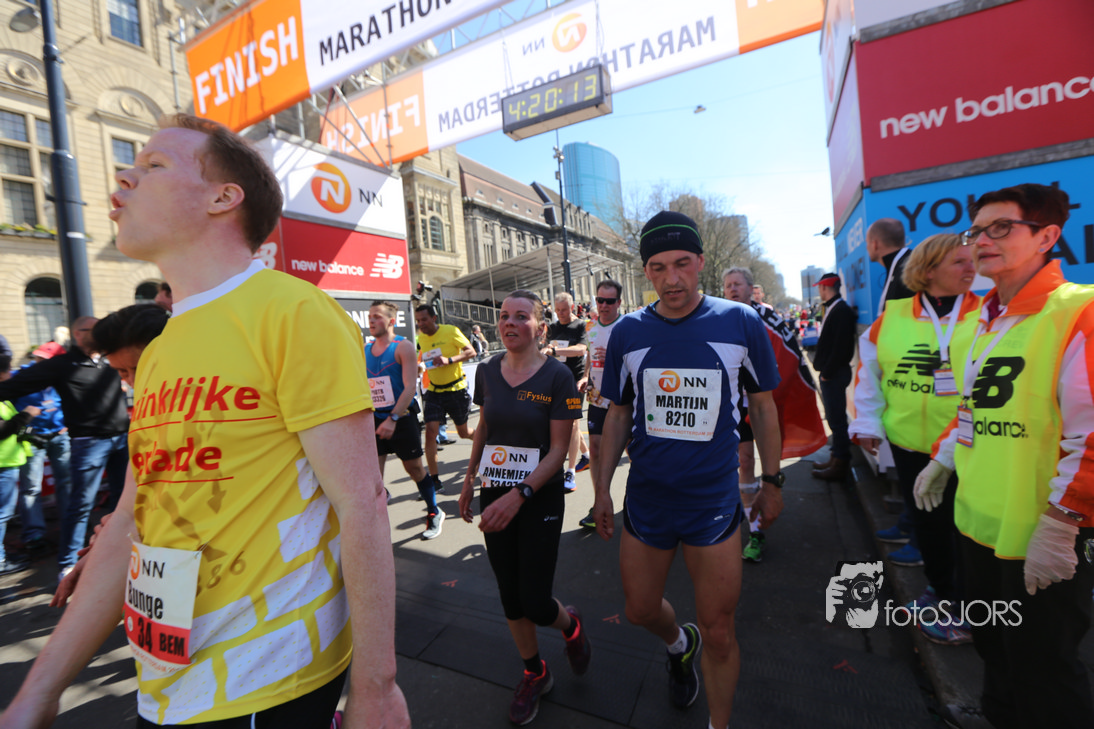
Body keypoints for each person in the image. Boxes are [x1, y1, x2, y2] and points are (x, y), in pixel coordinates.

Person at [2, 114, 408, 728]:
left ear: (224, 197)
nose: (124, 177)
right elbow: (131, 519)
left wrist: (377, 688)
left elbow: (363, 503)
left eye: (154, 165)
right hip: (164, 681)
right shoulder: (161, 349)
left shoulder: (293, 311)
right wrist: (39, 692)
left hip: (268, 679)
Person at [593, 211, 783, 729]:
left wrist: (771, 481)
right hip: (648, 499)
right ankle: (679, 644)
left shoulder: (739, 321)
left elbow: (764, 407)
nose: (672, 278)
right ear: (645, 272)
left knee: (720, 631)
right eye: (658, 268)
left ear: (701, 262)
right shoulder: (628, 332)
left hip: (712, 502)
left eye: (682, 264)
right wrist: (602, 489)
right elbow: (618, 414)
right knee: (639, 610)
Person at [914, 183, 1094, 728]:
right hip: (978, 525)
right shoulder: (984, 318)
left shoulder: (1079, 310)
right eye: (976, 231)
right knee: (994, 647)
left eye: (1001, 228)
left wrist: (1063, 522)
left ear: (1047, 236)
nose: (981, 242)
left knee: (1045, 668)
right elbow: (971, 407)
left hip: (1040, 533)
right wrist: (944, 458)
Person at [458, 289, 590, 725]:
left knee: (535, 600)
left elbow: (559, 450)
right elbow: (485, 427)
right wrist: (469, 479)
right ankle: (535, 672)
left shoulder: (558, 377)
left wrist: (521, 495)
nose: (509, 323)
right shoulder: (487, 371)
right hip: (496, 490)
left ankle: (571, 626)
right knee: (510, 594)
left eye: (520, 316)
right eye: (504, 316)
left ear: (541, 328)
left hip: (539, 496)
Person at [848, 234, 980, 644]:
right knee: (929, 527)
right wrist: (867, 424)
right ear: (928, 269)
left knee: (968, 533)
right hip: (909, 446)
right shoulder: (893, 315)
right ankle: (940, 593)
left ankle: (967, 608)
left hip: (970, 448)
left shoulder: (989, 313)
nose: (971, 268)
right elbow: (869, 374)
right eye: (959, 262)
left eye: (971, 260)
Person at [0, 316, 129, 582]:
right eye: (91, 329)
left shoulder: (111, 359)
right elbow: (14, 386)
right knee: (80, 505)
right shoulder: (62, 364)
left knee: (122, 503)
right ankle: (68, 564)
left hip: (121, 440)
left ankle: (118, 556)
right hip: (89, 443)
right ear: (77, 334)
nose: (100, 334)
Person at [723, 267, 826, 562]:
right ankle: (754, 530)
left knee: (767, 465)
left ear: (750, 288)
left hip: (765, 403)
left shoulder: (767, 317)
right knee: (744, 461)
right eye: (728, 285)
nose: (732, 289)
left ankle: (761, 503)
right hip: (734, 404)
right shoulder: (719, 318)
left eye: (737, 284)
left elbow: (791, 356)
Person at [367, 300, 443, 540]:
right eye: (370, 316)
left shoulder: (403, 347)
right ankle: (376, 525)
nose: (371, 320)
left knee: (414, 469)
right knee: (373, 477)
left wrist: (392, 418)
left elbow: (410, 387)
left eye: (377, 316)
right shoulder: (364, 349)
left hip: (401, 418)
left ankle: (434, 511)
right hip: (375, 420)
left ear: (391, 321)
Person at [13, 342, 71, 561]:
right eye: (38, 358)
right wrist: (26, 430)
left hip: (60, 435)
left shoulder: (65, 374)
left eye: (46, 360)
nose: (40, 363)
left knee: (66, 483)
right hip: (33, 438)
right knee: (31, 487)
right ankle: (34, 535)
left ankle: (71, 525)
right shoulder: (20, 376)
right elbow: (8, 408)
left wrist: (67, 425)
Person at [577, 280, 625, 530]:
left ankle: (638, 501)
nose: (604, 305)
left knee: (631, 451)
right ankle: (599, 503)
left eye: (609, 301)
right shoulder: (590, 326)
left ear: (619, 302)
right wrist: (586, 376)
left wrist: (616, 359)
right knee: (595, 450)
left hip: (623, 397)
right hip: (597, 397)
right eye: (600, 300)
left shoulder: (627, 326)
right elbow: (589, 354)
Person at [415, 304, 476, 492]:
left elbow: (471, 352)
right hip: (434, 391)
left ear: (434, 318)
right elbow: (424, 360)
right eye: (418, 321)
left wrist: (449, 360)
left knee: (463, 432)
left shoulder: (450, 331)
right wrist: (419, 367)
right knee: (430, 432)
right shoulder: (421, 338)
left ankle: (484, 441)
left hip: (456, 389)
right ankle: (434, 480)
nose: (421, 324)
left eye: (424, 320)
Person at [811, 273, 857, 482]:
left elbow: (841, 347)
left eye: (819, 287)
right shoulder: (835, 308)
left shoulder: (841, 310)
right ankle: (835, 458)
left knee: (837, 420)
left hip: (835, 374)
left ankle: (840, 463)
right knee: (834, 418)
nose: (818, 291)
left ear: (825, 287)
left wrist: (827, 374)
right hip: (834, 373)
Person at [542, 292, 590, 489]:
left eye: (564, 310)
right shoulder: (553, 328)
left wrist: (555, 351)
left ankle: (570, 472)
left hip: (575, 381)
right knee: (570, 425)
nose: (560, 313)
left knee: (572, 425)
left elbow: (581, 349)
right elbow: (545, 349)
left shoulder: (580, 325)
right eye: (557, 310)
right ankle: (586, 455)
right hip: (556, 382)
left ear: (572, 308)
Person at [0, 354, 40, 574]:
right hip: (3, 464)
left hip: (8, 462)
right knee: (2, 514)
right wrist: (26, 414)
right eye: (9, 371)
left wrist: (30, 432)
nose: (11, 376)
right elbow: (3, 429)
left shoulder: (5, 398)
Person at [867, 218, 914, 306]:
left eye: (867, 243)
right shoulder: (901, 265)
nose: (867, 247)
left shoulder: (909, 269)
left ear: (874, 244)